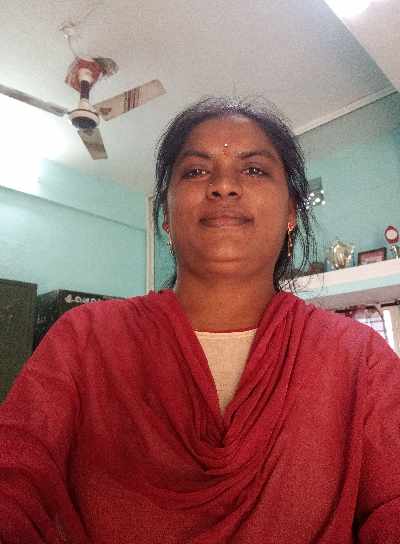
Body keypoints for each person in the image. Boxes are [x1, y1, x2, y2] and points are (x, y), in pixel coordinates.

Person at [0, 97, 399, 544]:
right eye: (195, 171)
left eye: (254, 169)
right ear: (166, 216)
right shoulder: (84, 339)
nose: (223, 186)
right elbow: (14, 478)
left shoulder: (360, 359)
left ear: (291, 212)